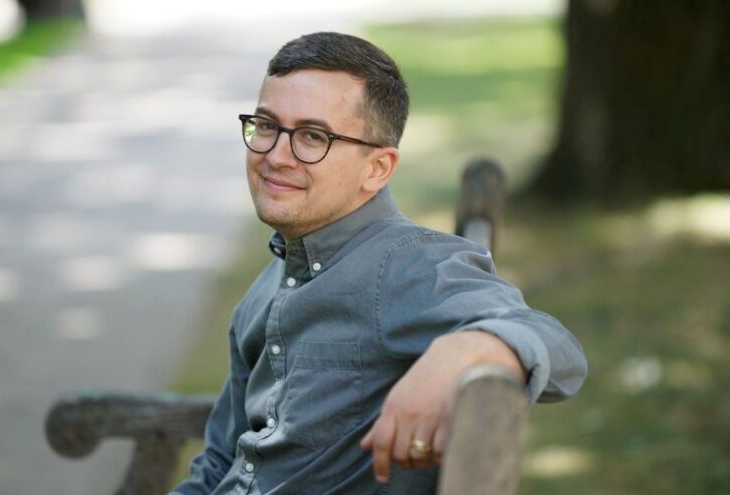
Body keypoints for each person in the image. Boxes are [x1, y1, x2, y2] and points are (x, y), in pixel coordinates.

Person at [169, 31, 587, 495]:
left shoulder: (408, 266)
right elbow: (224, 460)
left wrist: (465, 350)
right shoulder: (272, 280)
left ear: (378, 168)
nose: (275, 156)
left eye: (313, 136)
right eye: (266, 125)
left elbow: (560, 350)